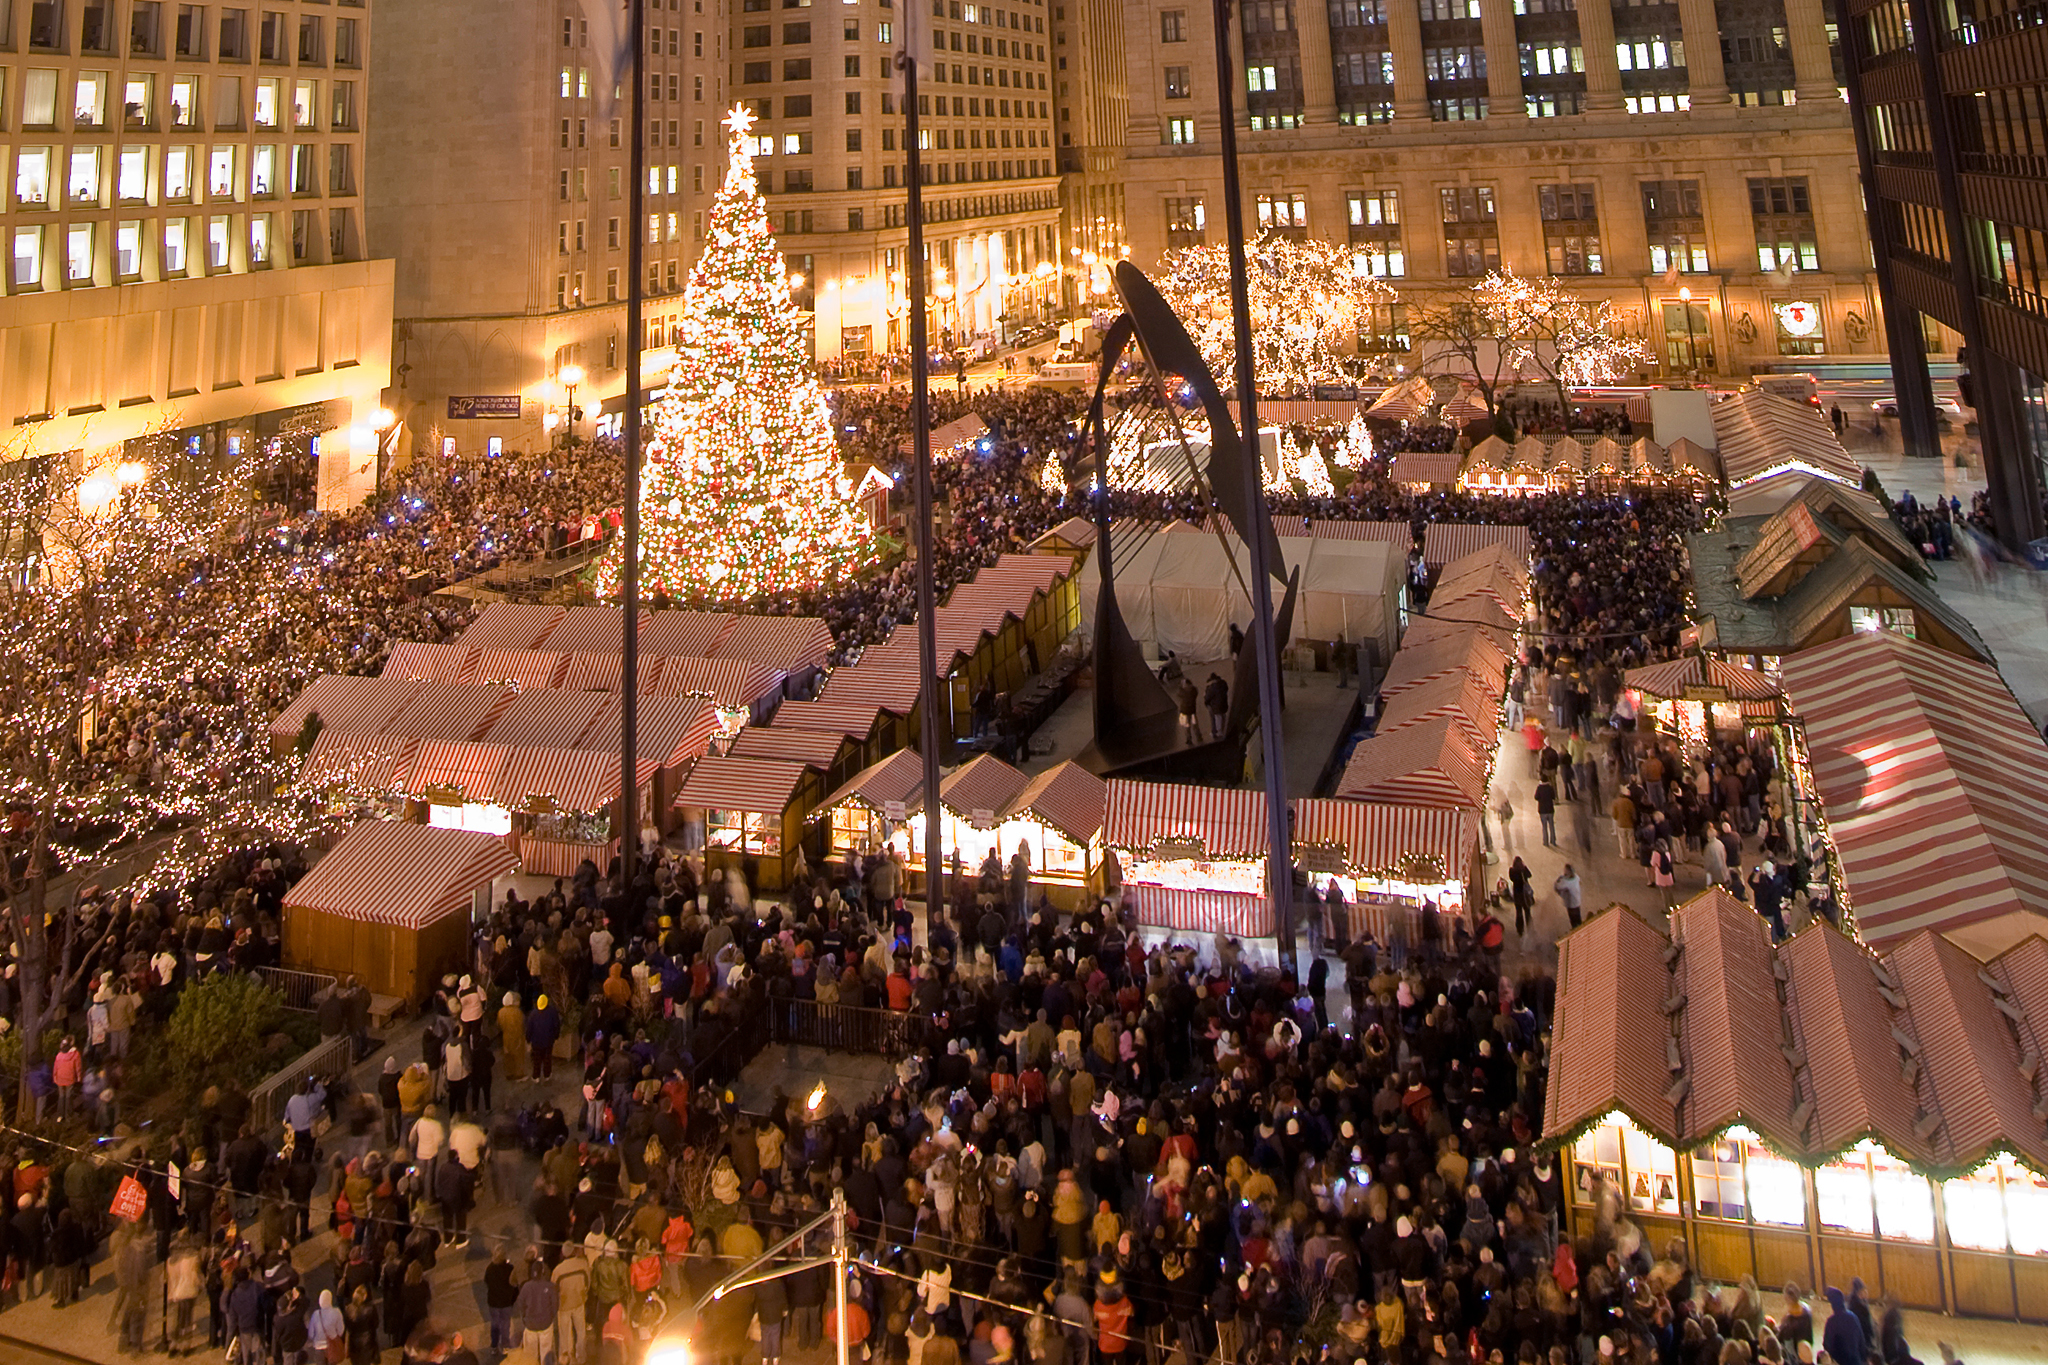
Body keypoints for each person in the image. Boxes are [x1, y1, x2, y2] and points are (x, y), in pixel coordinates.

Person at [1554, 864, 1583, 929]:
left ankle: (1576, 931)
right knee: (1578, 918)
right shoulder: (1576, 877)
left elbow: (1557, 886)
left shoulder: (1566, 882)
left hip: (1571, 904)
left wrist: (1558, 880)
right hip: (1577, 902)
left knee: (1573, 920)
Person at [1534, 778, 1558, 847]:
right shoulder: (1550, 787)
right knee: (1551, 826)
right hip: (1550, 809)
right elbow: (1554, 796)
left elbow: (1536, 797)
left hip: (1542, 810)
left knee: (1544, 827)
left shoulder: (1539, 788)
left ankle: (1545, 842)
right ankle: (1553, 841)